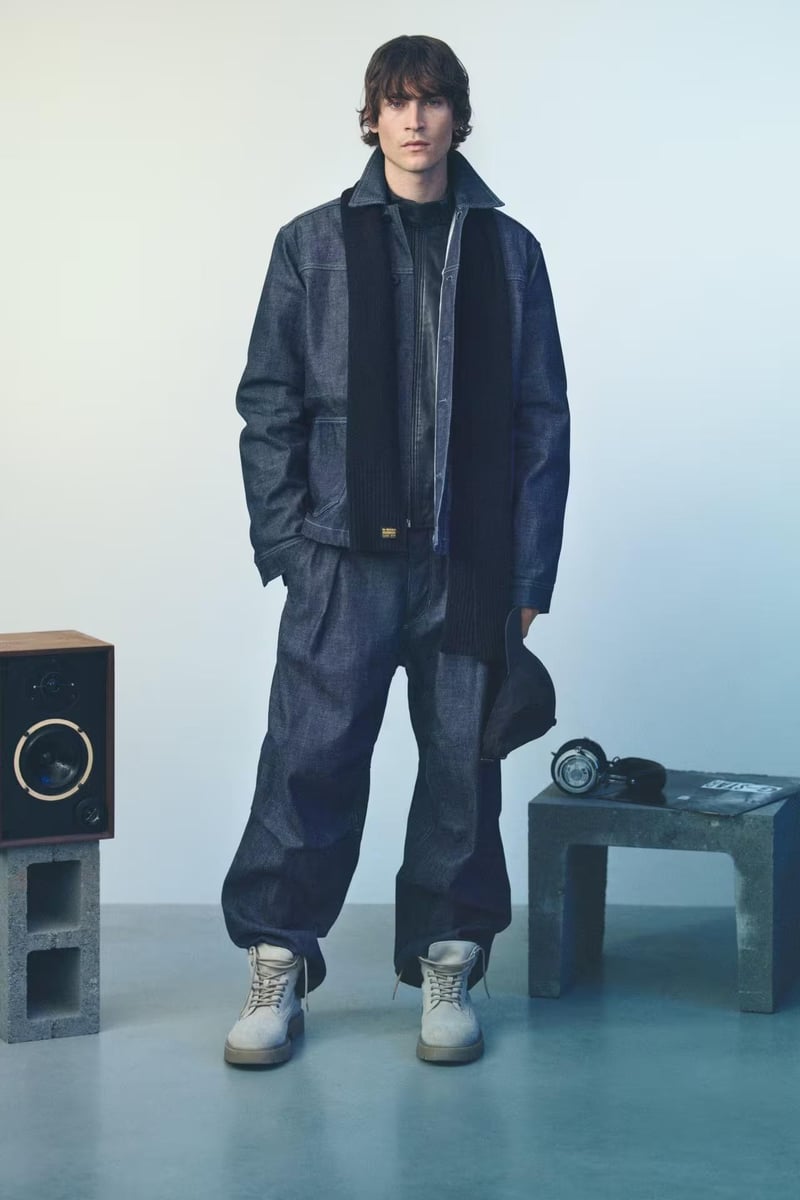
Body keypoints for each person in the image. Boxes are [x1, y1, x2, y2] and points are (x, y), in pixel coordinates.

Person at [221, 34, 570, 1067]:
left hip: (469, 564)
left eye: (433, 101)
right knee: (308, 760)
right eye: (396, 102)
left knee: (463, 769)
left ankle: (446, 965)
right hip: (341, 557)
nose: (415, 121)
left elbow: (541, 420)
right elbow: (269, 402)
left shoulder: (509, 251)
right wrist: (289, 545)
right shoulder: (310, 245)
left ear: (459, 117)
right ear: (370, 118)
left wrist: (527, 575)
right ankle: (277, 963)